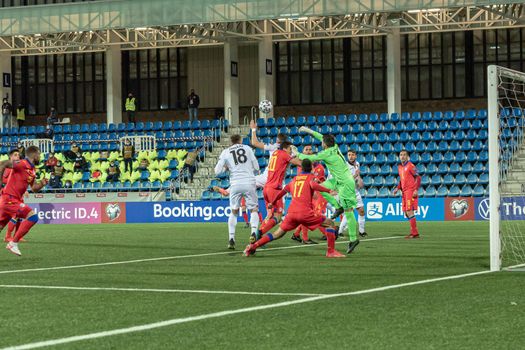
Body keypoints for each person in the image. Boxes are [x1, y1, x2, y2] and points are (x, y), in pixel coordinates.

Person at [244, 159, 344, 258]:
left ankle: (253, 246)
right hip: (305, 213)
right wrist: (328, 190)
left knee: (277, 234)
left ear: (302, 168)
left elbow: (283, 191)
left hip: (291, 213)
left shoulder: (295, 179)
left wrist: (272, 203)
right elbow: (313, 185)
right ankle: (331, 251)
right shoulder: (311, 177)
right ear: (311, 168)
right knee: (330, 224)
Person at [297, 127, 359, 254]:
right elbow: (321, 136)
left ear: (324, 144)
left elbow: (308, 158)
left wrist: (294, 152)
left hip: (345, 183)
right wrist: (308, 130)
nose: (321, 142)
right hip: (337, 180)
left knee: (349, 212)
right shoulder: (334, 146)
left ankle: (353, 239)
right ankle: (338, 206)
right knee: (320, 188)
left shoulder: (325, 153)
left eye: (322, 142)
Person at [214, 134, 260, 249]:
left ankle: (231, 238)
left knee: (234, 212)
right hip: (249, 182)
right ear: (240, 140)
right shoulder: (248, 148)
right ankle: (253, 232)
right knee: (254, 209)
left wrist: (226, 167)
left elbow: (217, 171)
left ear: (231, 141)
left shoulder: (226, 152)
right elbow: (257, 167)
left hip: (235, 184)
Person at [1, 145, 47, 256]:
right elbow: (3, 164)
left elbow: (34, 188)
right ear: (35, 154)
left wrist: (41, 184)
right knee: (33, 217)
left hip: (11, 200)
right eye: (39, 154)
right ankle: (13, 243)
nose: (40, 157)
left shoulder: (32, 169)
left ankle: (13, 242)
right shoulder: (21, 163)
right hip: (9, 199)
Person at [256, 141, 302, 240]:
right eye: (290, 149)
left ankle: (257, 234)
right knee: (278, 217)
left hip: (266, 188)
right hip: (275, 189)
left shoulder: (275, 153)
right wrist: (297, 154)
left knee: (270, 214)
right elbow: (299, 163)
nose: (290, 151)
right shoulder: (284, 154)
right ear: (286, 148)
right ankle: (259, 232)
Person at [291, 144, 326, 244]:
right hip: (302, 192)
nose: (309, 151)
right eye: (307, 149)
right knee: (310, 215)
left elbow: (319, 181)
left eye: (311, 149)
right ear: (303, 152)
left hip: (312, 193)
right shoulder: (300, 162)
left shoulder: (318, 167)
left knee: (309, 214)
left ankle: (297, 234)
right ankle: (305, 238)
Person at [249, 120, 288, 191]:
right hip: (278, 180)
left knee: (247, 182)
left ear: (277, 140)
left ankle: (227, 191)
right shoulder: (289, 150)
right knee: (279, 200)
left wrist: (253, 129)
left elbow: (254, 143)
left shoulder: (273, 146)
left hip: (267, 177)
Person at [337, 149, 367, 238]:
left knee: (361, 210)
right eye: (349, 155)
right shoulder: (344, 166)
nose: (351, 156)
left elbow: (358, 177)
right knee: (349, 212)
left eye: (352, 155)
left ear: (356, 156)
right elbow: (345, 180)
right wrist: (355, 175)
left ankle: (362, 231)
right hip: (347, 192)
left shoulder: (357, 164)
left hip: (355, 191)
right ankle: (339, 231)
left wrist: (360, 180)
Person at [393, 150, 422, 239]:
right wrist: (397, 188)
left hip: (410, 191)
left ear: (407, 156)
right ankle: (413, 232)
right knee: (406, 213)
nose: (402, 156)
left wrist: (416, 190)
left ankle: (415, 233)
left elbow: (418, 177)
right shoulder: (399, 167)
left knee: (409, 211)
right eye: (401, 155)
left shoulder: (410, 166)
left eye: (404, 155)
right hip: (404, 192)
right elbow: (402, 180)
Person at [2, 149, 21, 243]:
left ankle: (17, 236)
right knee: (15, 214)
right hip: (9, 195)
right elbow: (4, 180)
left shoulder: (18, 167)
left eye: (18, 155)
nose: (18, 156)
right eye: (15, 155)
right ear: (10, 157)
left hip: (17, 194)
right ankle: (8, 236)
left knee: (19, 215)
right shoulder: (9, 168)